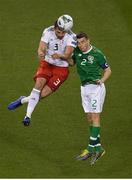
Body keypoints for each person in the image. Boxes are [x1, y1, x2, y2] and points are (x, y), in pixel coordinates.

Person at [8, 14, 77, 126]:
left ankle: (23, 100)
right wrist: (41, 52)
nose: (61, 35)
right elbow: (41, 47)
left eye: (64, 32)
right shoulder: (48, 31)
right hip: (47, 63)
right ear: (55, 27)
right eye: (59, 32)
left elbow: (68, 54)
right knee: (38, 84)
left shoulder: (72, 37)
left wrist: (60, 55)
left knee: (43, 94)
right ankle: (27, 116)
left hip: (62, 69)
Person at [68, 32, 111, 165]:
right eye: (79, 43)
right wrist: (65, 57)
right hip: (84, 88)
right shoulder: (76, 51)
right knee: (90, 118)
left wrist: (102, 80)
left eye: (83, 42)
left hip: (95, 88)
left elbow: (108, 70)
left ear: (88, 41)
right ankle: (99, 149)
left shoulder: (97, 53)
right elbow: (71, 63)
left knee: (96, 117)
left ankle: (90, 148)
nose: (81, 45)